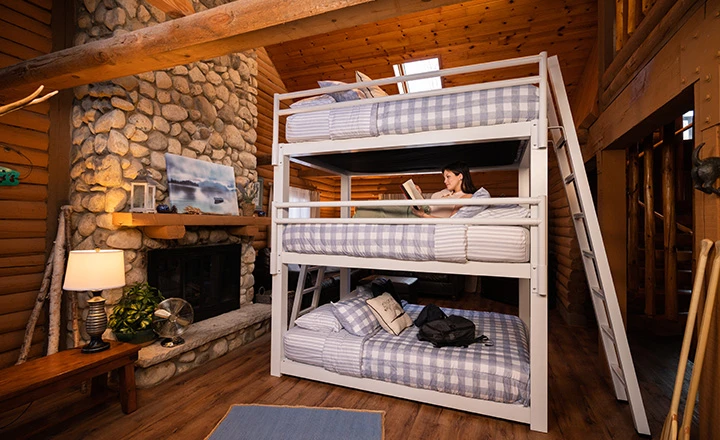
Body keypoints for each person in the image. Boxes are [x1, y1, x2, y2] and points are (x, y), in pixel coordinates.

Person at [412, 161, 478, 218]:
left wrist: (423, 215)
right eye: (444, 178)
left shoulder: (466, 197)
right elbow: (429, 208)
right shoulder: (445, 191)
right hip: (418, 213)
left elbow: (452, 221)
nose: (445, 181)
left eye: (448, 177)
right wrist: (418, 194)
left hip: (423, 218)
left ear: (460, 176)